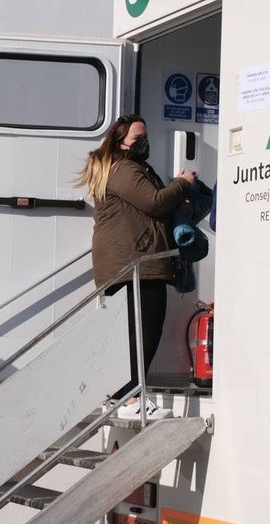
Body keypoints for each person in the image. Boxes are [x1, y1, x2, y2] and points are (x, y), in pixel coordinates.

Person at [78, 114, 196, 418]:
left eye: (145, 135)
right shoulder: (124, 169)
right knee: (145, 332)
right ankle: (128, 399)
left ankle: (121, 395)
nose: (144, 141)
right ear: (120, 142)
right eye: (137, 137)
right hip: (135, 264)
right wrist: (181, 185)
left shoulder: (122, 168)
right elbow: (154, 202)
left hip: (129, 263)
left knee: (135, 334)